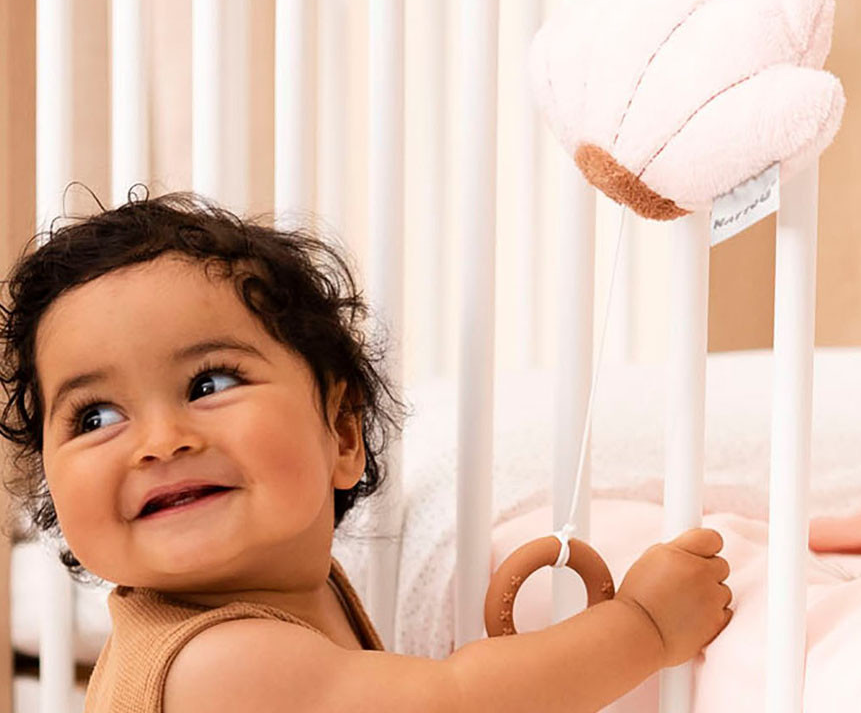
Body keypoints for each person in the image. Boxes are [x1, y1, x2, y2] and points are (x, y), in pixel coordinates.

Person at [0, 189, 732, 713]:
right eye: (94, 416)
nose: (161, 442)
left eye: (209, 383)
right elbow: (460, 702)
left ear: (342, 434)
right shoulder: (216, 666)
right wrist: (645, 627)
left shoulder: (288, 602)